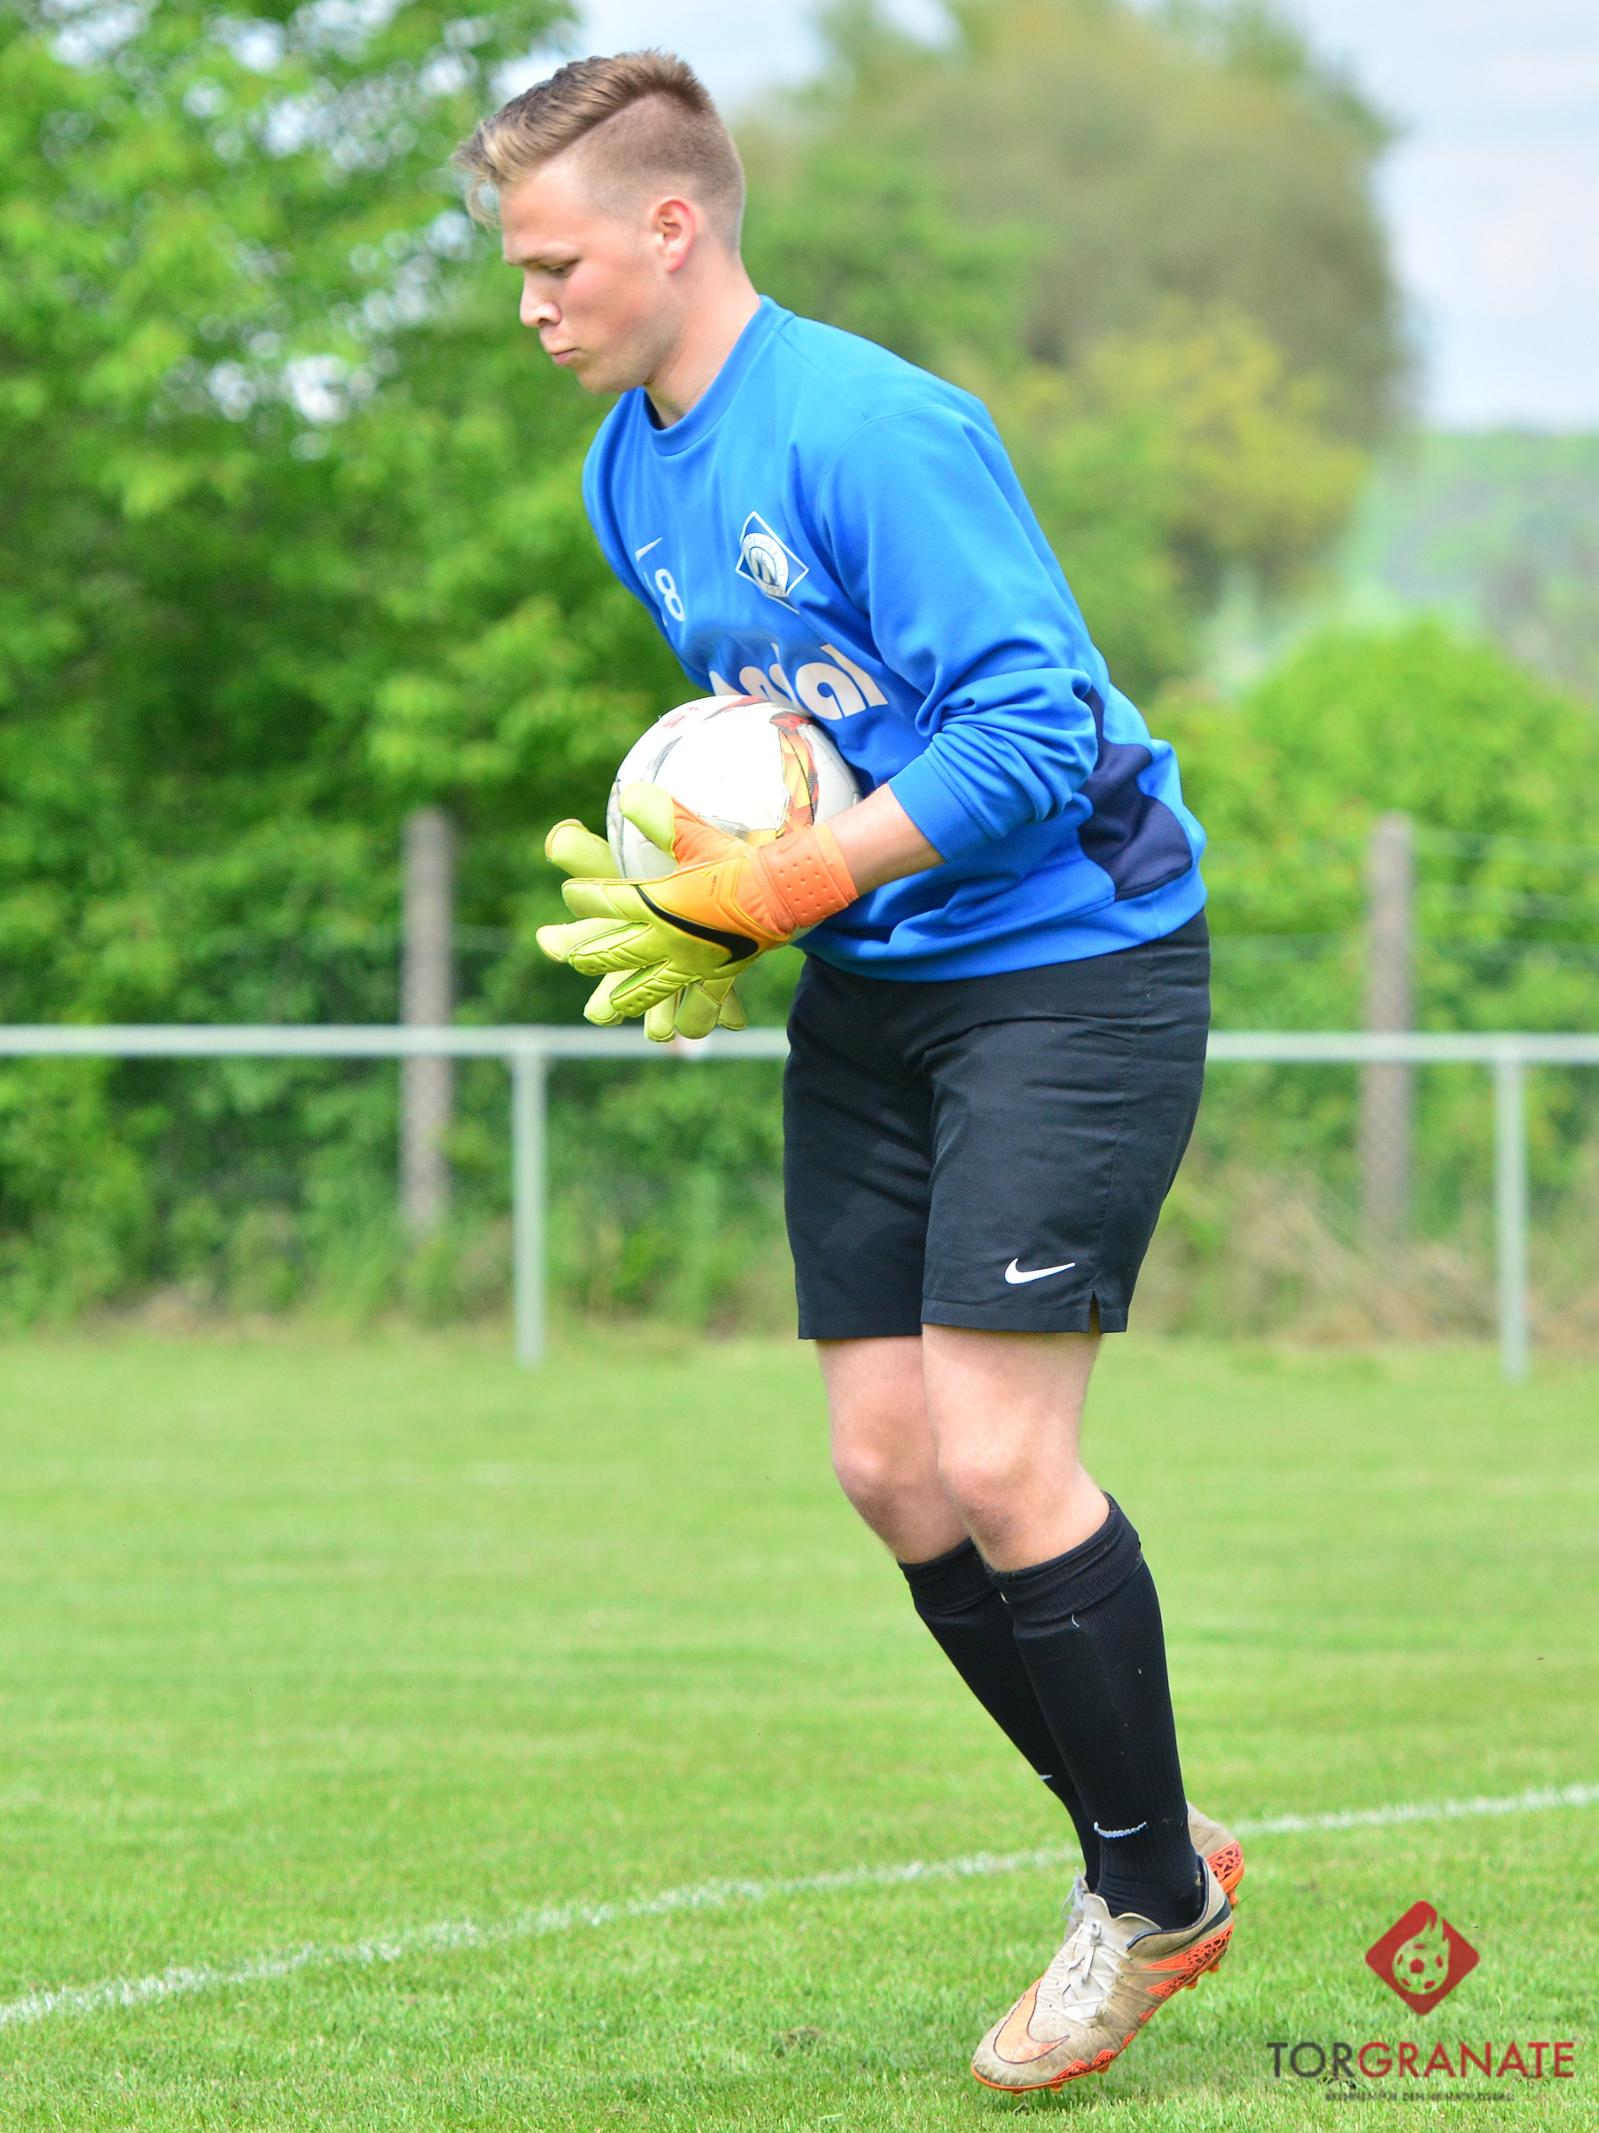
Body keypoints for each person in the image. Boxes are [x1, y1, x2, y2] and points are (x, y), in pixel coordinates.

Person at [455, 51, 1242, 2093]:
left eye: (551, 266)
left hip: (1069, 963)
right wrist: (722, 915)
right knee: (889, 1469)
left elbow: (1030, 738)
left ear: (670, 226)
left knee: (997, 1455)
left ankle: (1144, 1899)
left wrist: (793, 880)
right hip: (878, 993)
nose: (528, 307)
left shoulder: (875, 428)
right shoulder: (626, 472)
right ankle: (1159, 1860)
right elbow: (794, 743)